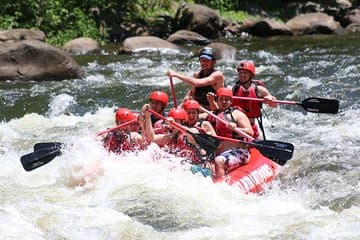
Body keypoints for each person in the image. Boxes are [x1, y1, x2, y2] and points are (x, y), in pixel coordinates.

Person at [211, 87, 254, 179]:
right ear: (217, 101)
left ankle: (220, 186)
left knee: (219, 161)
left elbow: (250, 133)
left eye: (226, 100)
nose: (223, 102)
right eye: (221, 99)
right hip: (220, 151)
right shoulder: (212, 114)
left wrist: (236, 128)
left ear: (231, 101)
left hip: (240, 151)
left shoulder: (237, 114)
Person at [231, 61, 278, 139]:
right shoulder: (233, 89)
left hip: (253, 124)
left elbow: (274, 105)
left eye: (245, 73)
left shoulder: (260, 90)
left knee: (258, 139)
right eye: (240, 73)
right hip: (238, 124)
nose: (242, 75)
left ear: (251, 75)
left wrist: (270, 100)